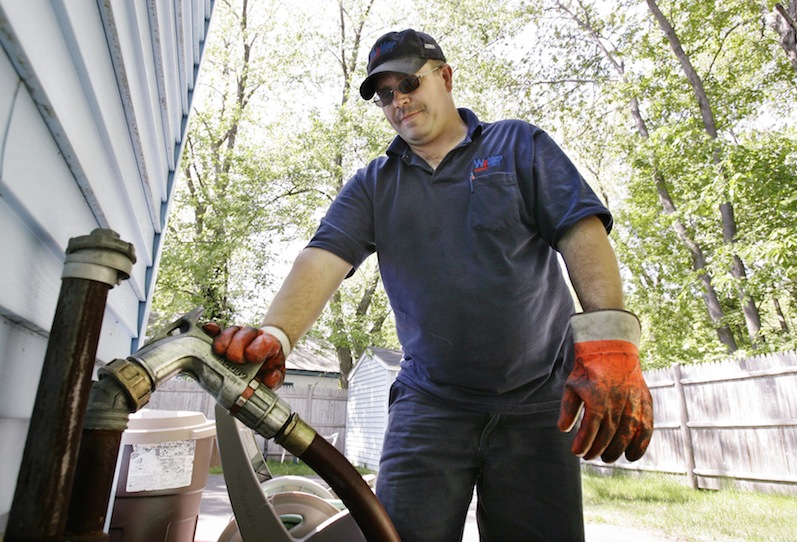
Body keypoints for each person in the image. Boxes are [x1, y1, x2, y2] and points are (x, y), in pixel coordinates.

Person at [204, 29, 653, 542]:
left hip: (537, 402)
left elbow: (581, 230)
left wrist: (610, 342)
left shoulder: (517, 145)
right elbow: (322, 258)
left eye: (408, 83)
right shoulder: (375, 183)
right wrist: (277, 335)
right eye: (384, 94)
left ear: (444, 77)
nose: (398, 102)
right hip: (431, 405)